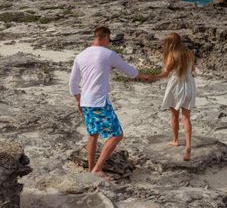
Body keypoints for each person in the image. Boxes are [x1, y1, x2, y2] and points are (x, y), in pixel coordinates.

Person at [69, 26, 150, 180]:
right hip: (99, 102)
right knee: (117, 135)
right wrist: (143, 76)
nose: (109, 42)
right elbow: (129, 71)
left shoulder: (81, 56)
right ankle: (97, 169)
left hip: (86, 101)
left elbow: (73, 84)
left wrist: (78, 101)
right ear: (106, 37)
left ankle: (92, 168)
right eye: (109, 39)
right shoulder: (108, 54)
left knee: (93, 134)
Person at [149, 32, 196, 161]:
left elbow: (165, 74)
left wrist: (152, 77)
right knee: (186, 117)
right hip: (190, 85)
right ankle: (188, 145)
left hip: (176, 85)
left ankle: (175, 140)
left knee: (174, 115)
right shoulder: (189, 53)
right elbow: (193, 70)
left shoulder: (171, 56)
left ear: (170, 43)